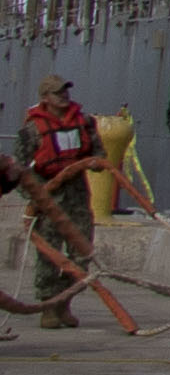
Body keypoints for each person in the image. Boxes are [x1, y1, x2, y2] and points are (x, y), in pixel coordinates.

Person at [22, 75, 100, 327]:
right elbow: (20, 169)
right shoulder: (32, 130)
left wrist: (97, 162)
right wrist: (35, 197)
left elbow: (98, 152)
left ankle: (64, 302)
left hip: (77, 199)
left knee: (82, 255)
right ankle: (48, 307)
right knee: (48, 255)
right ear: (45, 98)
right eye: (57, 93)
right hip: (48, 201)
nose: (64, 96)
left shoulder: (84, 123)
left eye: (65, 91)